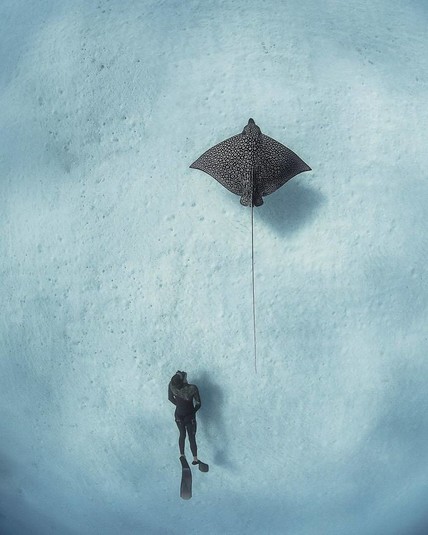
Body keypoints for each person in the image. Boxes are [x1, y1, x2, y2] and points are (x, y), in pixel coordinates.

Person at [168, 370, 201, 465]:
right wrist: (193, 411)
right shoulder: (192, 388)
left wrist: (179, 405)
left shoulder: (172, 385)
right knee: (192, 437)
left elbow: (170, 398)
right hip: (189, 416)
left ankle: (182, 455)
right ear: (183, 381)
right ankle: (195, 459)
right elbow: (198, 403)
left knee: (182, 434)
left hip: (178, 415)